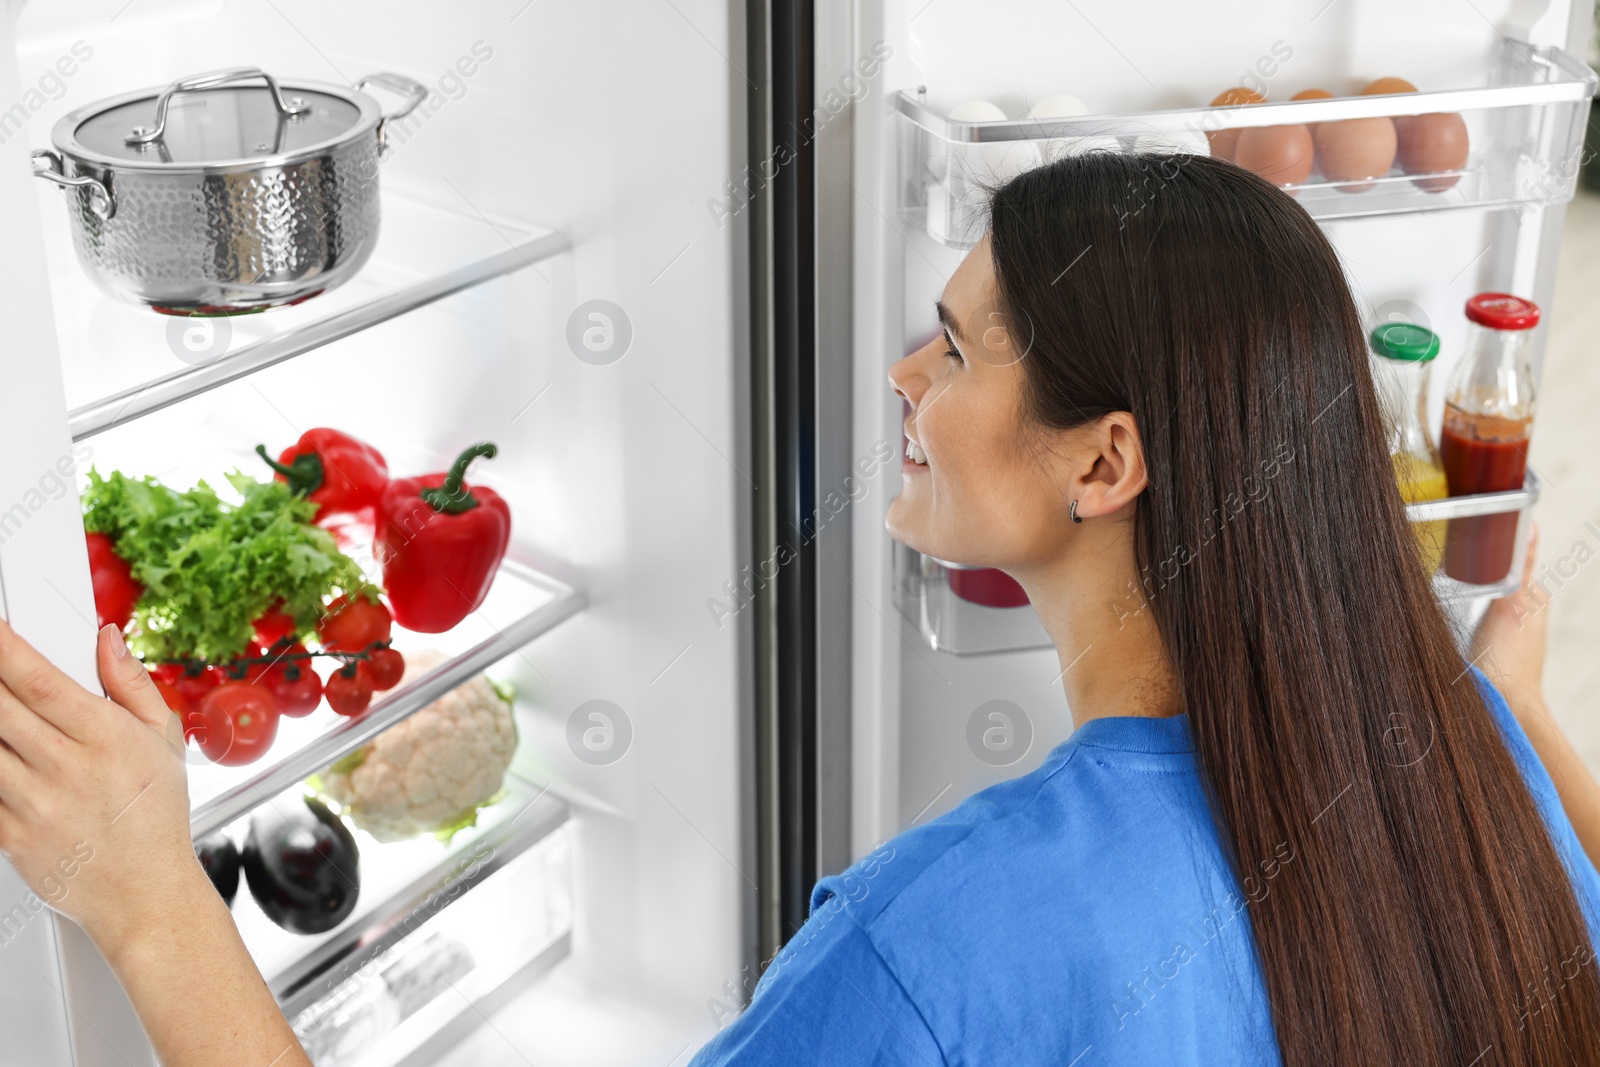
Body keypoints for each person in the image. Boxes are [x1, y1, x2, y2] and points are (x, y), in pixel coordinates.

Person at [0, 152, 1592, 1067]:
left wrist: (148, 898)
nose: (906, 376)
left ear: (1109, 459)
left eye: (958, 351)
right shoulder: (1469, 775)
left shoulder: (938, 944)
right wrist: (1518, 709)